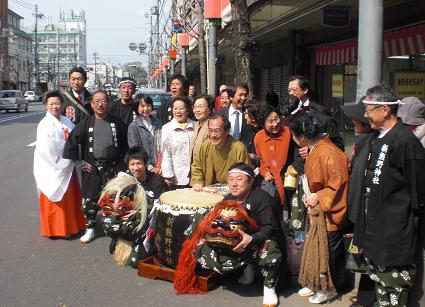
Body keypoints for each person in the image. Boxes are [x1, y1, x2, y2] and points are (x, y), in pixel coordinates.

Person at [349, 85, 425, 307]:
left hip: (395, 233)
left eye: (368, 109)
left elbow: (419, 192)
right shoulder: (374, 138)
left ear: (384, 110)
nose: (365, 115)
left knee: (393, 291)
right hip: (374, 229)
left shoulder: (405, 142)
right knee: (378, 285)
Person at [175, 163, 284, 307]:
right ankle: (247, 267)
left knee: (270, 248)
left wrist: (251, 239)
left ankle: (269, 287)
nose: (234, 184)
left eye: (239, 179)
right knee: (198, 235)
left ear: (251, 181)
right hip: (232, 242)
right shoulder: (227, 198)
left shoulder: (262, 198)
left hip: (255, 241)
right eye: (231, 179)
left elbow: (270, 227)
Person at [289, 112, 350, 304]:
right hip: (316, 207)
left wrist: (318, 196)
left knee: (329, 253)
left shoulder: (330, 153)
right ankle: (316, 282)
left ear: (302, 136)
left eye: (293, 134)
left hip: (329, 211)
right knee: (315, 246)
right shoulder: (316, 149)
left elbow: (339, 184)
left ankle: (330, 287)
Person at [63, 90, 127, 243]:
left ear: (109, 103)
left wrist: (123, 168)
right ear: (91, 104)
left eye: (104, 101)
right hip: (92, 168)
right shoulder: (85, 123)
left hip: (113, 168)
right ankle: (90, 228)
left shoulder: (117, 123)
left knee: (114, 200)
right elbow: (72, 142)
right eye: (96, 101)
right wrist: (79, 162)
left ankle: (114, 229)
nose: (100, 104)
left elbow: (125, 146)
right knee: (90, 200)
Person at [33, 91, 86, 238]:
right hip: (52, 166)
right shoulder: (44, 124)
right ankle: (57, 229)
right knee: (56, 198)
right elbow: (46, 149)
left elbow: (74, 138)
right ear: (46, 105)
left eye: (57, 103)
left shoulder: (66, 120)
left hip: (67, 165)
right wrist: (64, 159)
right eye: (51, 104)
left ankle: (73, 226)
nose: (55, 106)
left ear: (62, 105)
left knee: (70, 198)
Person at [342, 98, 375, 307]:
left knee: (369, 256)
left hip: (367, 211)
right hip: (361, 211)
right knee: (364, 257)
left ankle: (366, 299)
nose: (353, 123)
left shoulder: (372, 143)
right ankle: (364, 296)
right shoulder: (364, 142)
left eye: (356, 119)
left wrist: (353, 216)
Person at [191, 114, 251, 190]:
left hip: (231, 191)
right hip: (209, 190)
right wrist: (198, 182)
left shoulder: (238, 148)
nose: (213, 135)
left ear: (227, 131)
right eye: (210, 130)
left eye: (217, 131)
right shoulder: (205, 145)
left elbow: (245, 174)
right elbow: (197, 166)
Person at [287, 75, 344, 150]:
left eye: (294, 90)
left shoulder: (321, 111)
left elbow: (336, 143)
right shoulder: (287, 111)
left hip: (316, 158)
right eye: (289, 90)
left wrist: (311, 148)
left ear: (305, 90)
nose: (291, 93)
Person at [254, 106, 293, 205]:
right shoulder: (258, 137)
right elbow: (261, 160)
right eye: (270, 121)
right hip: (272, 185)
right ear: (263, 123)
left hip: (289, 180)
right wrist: (265, 172)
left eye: (276, 119)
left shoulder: (288, 132)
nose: (275, 124)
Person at [161, 96, 196, 189]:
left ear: (188, 110)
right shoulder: (167, 128)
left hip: (194, 176)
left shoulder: (195, 126)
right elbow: (165, 153)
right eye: (175, 108)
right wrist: (168, 174)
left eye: (181, 108)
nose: (178, 111)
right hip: (176, 176)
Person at [127, 94, 161, 173]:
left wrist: (159, 165)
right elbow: (136, 149)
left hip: (159, 166)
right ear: (136, 107)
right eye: (142, 106)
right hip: (144, 169)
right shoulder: (133, 126)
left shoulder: (158, 122)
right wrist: (149, 167)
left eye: (148, 105)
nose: (146, 108)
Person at [108, 77, 137, 148]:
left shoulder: (137, 106)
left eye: (129, 88)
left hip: (133, 144)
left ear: (134, 90)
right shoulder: (112, 106)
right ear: (119, 89)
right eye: (123, 87)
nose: (126, 91)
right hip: (115, 144)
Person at [189, 94, 213, 163]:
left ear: (210, 109)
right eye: (195, 107)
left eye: (200, 107)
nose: (197, 110)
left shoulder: (212, 127)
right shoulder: (197, 125)